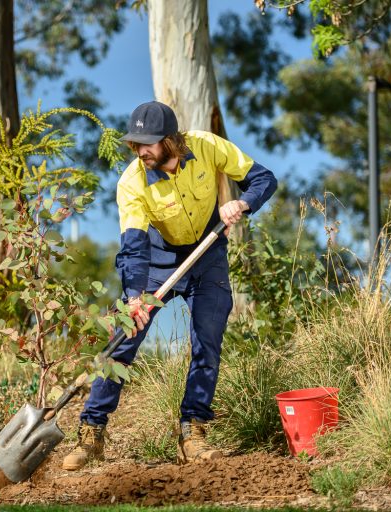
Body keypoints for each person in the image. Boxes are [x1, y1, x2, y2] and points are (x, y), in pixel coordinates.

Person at [62, 101, 278, 470]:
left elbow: (264, 178)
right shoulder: (132, 182)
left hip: (207, 254)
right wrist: (133, 297)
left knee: (206, 341)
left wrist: (242, 202)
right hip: (157, 263)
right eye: (136, 143)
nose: (140, 150)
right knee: (123, 339)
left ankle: (192, 432)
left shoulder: (207, 146)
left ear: (170, 139)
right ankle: (91, 432)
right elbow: (133, 246)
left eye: (148, 142)